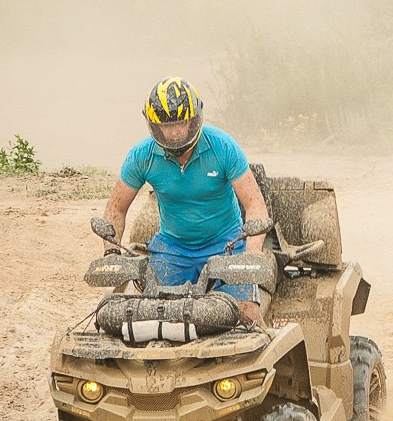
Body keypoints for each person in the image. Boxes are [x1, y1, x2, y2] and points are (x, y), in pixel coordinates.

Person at [101, 77, 273, 327]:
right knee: (148, 315)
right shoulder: (141, 156)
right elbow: (116, 208)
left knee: (246, 315)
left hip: (227, 244)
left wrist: (251, 254)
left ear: (194, 118)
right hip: (173, 248)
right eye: (166, 125)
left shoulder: (223, 147)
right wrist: (111, 252)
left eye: (181, 123)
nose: (174, 132)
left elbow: (255, 205)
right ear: (153, 126)